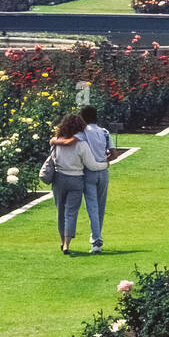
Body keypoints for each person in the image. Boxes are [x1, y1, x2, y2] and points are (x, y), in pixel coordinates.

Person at [49, 113, 109, 254]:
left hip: (59, 178)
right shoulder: (81, 145)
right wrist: (105, 165)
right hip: (76, 179)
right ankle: (67, 244)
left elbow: (53, 158)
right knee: (71, 213)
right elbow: (92, 165)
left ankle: (62, 241)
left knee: (60, 211)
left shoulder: (57, 141)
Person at [75, 104, 111, 253]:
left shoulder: (83, 132)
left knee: (92, 207)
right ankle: (96, 238)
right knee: (100, 207)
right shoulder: (104, 131)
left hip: (89, 171)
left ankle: (96, 240)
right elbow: (113, 152)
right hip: (103, 170)